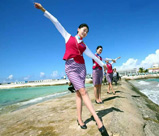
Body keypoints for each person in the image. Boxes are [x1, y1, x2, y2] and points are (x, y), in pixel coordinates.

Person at [34, 3, 108, 134]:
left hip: (82, 68)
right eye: (83, 30)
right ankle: (98, 120)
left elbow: (93, 56)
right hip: (71, 67)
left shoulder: (84, 46)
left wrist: (105, 65)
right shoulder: (68, 37)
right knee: (84, 92)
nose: (85, 33)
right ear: (78, 29)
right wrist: (43, 9)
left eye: (87, 32)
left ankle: (79, 119)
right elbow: (56, 22)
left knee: (79, 93)